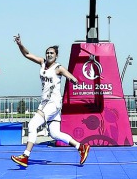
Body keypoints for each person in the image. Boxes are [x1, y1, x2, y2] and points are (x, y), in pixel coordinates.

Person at [11, 36, 89, 167]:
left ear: (56, 56)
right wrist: (20, 44)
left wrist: (75, 80)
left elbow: (71, 77)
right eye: (47, 52)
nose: (49, 54)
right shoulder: (42, 63)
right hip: (45, 102)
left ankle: (25, 156)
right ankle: (81, 147)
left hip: (53, 103)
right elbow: (27, 54)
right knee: (55, 133)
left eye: (52, 53)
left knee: (32, 125)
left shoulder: (59, 68)